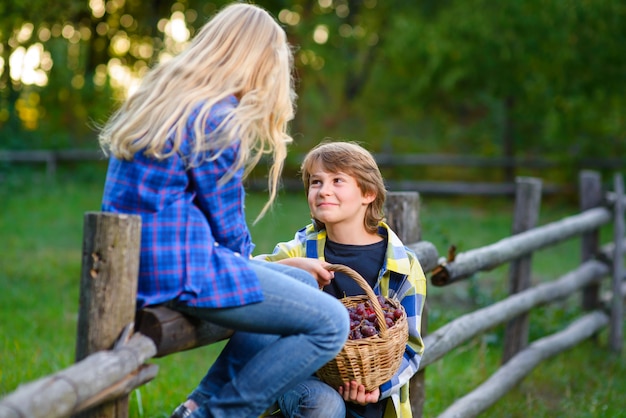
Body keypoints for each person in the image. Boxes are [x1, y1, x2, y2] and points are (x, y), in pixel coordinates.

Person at [98, 4, 350, 418]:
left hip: (148, 265)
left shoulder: (165, 99)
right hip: (181, 272)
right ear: (256, 61)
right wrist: (255, 267)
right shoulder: (215, 117)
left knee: (301, 286)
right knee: (332, 323)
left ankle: (197, 405)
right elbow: (227, 224)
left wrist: (270, 270)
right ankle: (222, 413)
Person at [256, 141, 427, 418]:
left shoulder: (403, 266)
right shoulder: (299, 250)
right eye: (316, 182)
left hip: (373, 396)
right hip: (304, 379)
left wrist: (379, 387)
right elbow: (245, 273)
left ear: (368, 192)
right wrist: (291, 266)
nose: (324, 190)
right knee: (324, 406)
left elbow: (411, 347)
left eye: (338, 181)